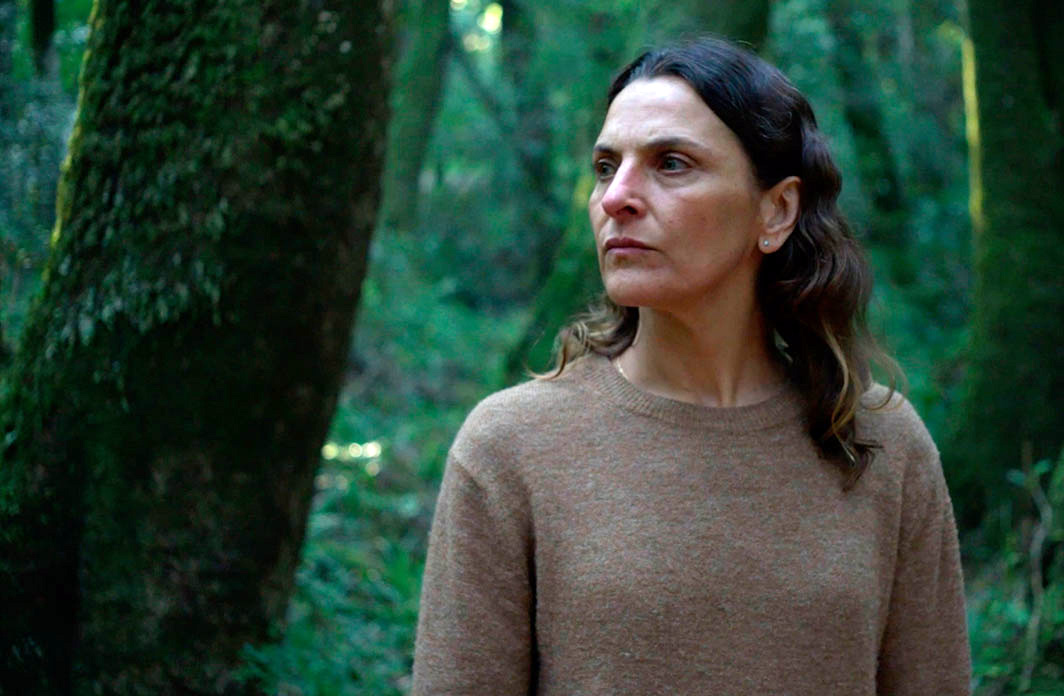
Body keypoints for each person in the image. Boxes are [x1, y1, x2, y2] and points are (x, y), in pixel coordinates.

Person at [410, 36, 970, 695]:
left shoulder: (884, 445)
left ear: (776, 210)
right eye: (605, 167)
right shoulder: (509, 449)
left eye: (671, 164)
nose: (616, 197)